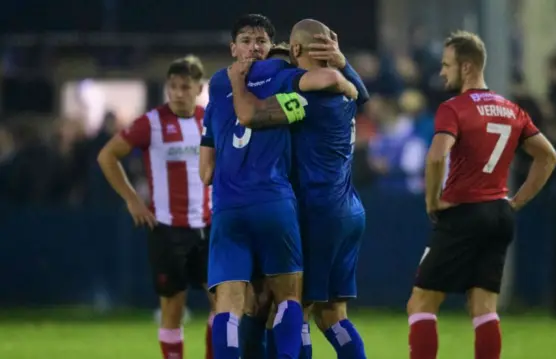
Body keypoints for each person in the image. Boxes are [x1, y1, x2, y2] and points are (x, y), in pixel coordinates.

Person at [201, 20, 359, 359]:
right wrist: (348, 81)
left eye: (261, 42)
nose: (257, 49)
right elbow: (336, 84)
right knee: (300, 306)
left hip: (239, 206)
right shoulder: (296, 88)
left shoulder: (219, 85)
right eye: (249, 41)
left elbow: (207, 169)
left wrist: (236, 83)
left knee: (236, 305)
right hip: (295, 204)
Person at [406, 31, 556, 359]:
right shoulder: (512, 109)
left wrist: (432, 200)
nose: (441, 73)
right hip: (499, 215)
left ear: (466, 67)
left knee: (421, 303)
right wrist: (516, 202)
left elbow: (436, 156)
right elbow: (548, 157)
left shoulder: (454, 108)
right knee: (484, 307)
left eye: (446, 66)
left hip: (463, 212)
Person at [97, 55, 214, 359]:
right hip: (167, 230)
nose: (177, 93)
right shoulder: (152, 123)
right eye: (172, 86)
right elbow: (107, 156)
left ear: (198, 88)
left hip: (210, 226)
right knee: (173, 309)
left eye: (184, 87)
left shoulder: (210, 121)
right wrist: (132, 199)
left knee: (224, 304)